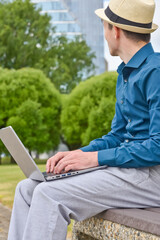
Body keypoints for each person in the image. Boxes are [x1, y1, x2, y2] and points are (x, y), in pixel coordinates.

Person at [8, 0, 160, 239]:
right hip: (130, 170)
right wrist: (76, 155)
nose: (105, 34)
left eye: (104, 27)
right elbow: (117, 136)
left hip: (152, 175)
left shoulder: (156, 71)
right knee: (27, 188)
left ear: (116, 30)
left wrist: (95, 159)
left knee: (48, 194)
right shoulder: (126, 74)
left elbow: (158, 146)